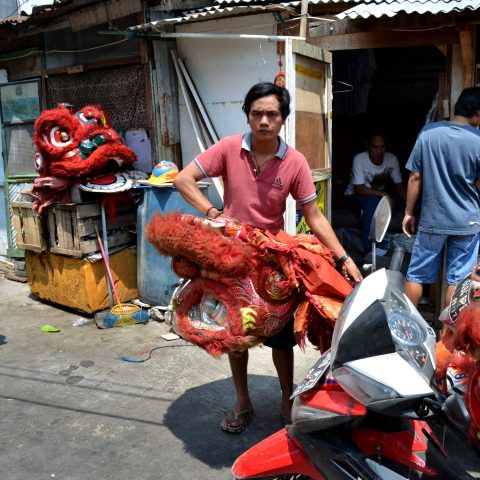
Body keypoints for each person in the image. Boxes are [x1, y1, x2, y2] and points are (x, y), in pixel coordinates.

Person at [173, 82, 363, 433]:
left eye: (271, 114)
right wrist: (214, 212)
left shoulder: (295, 162)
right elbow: (183, 179)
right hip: (231, 257)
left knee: (281, 337)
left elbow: (315, 215)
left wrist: (343, 258)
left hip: (273, 261)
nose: (264, 120)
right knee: (236, 334)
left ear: (283, 119)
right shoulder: (229, 148)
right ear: (248, 115)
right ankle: (243, 401)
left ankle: (287, 398)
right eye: (257, 113)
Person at [402, 86, 480, 309]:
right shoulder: (478, 139)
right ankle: (447, 338)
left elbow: (415, 177)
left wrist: (408, 212)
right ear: (477, 112)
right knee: (457, 281)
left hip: (432, 219)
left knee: (416, 275)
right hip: (467, 222)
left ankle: (405, 335)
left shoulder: (428, 133)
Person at [344, 133, 406, 252]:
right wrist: (384, 195)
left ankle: (366, 213)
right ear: (367, 146)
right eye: (375, 147)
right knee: (373, 202)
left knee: (399, 203)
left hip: (380, 199)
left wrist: (409, 206)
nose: (379, 151)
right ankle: (369, 249)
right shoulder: (360, 159)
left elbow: (399, 187)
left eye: (382, 147)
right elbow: (359, 188)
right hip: (354, 196)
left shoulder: (391, 159)